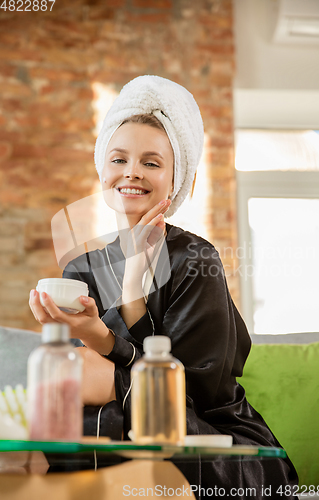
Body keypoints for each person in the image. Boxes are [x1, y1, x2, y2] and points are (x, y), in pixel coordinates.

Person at [29, 75, 298, 498]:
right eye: (118, 159)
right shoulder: (81, 268)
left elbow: (196, 399)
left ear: (177, 182)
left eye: (151, 162)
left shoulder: (196, 262)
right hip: (121, 443)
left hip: (212, 450)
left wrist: (123, 319)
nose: (131, 172)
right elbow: (79, 394)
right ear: (102, 169)